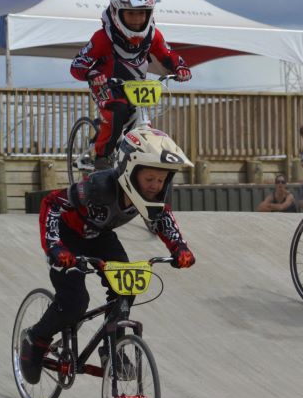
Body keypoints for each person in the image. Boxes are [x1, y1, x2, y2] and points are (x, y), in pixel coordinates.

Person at [20, 129, 195, 384]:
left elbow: (162, 218)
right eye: (149, 178)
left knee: (127, 286)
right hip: (68, 237)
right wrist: (55, 246)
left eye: (161, 180)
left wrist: (179, 248)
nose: (155, 186)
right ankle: (35, 339)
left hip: (100, 237)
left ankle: (112, 349)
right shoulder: (98, 187)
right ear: (130, 171)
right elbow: (52, 203)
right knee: (75, 303)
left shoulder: (152, 196)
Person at [71, 0, 191, 169]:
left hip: (136, 86)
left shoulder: (153, 34)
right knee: (117, 112)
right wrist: (92, 74)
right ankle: (101, 157)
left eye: (142, 13)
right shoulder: (103, 37)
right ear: (116, 12)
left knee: (140, 119)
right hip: (106, 85)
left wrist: (180, 67)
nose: (137, 20)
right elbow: (77, 65)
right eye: (131, 13)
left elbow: (168, 54)